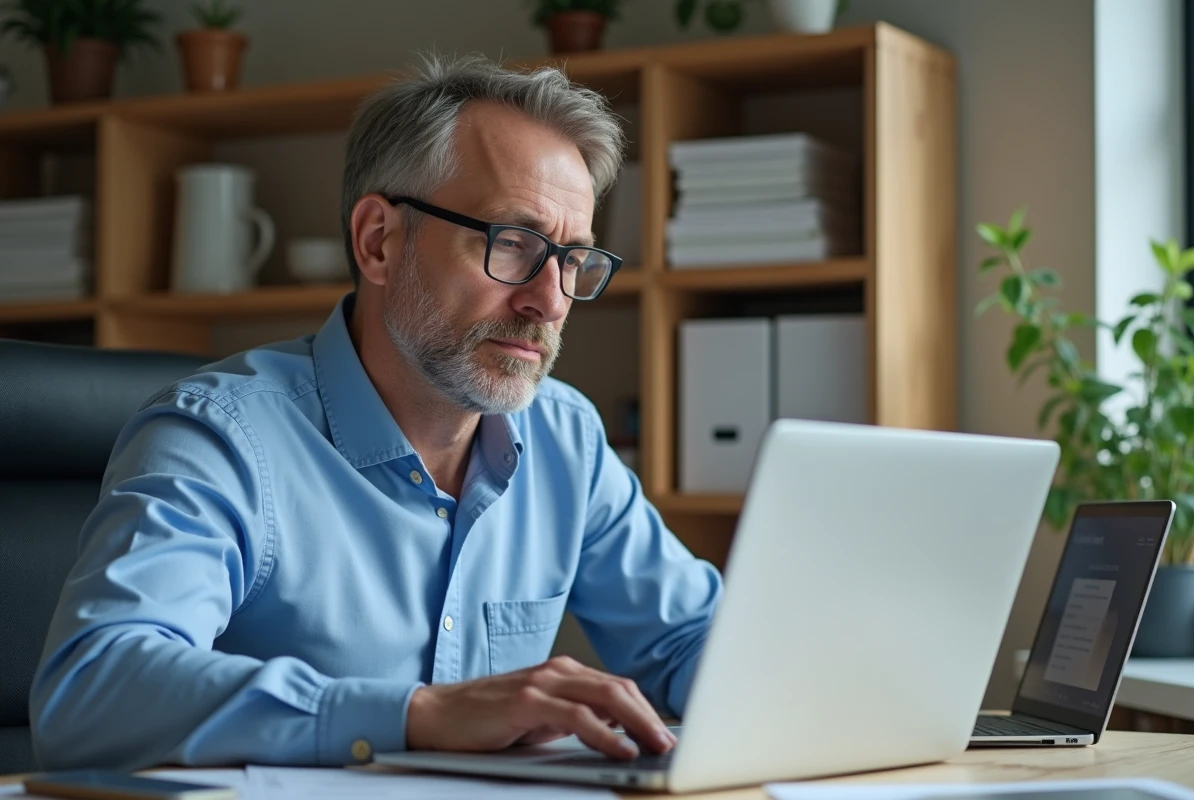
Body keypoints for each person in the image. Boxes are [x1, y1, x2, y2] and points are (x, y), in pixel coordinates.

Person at [29, 52, 722, 771]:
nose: (548, 301)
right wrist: (416, 715)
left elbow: (692, 641)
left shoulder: (564, 437)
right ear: (379, 241)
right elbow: (91, 688)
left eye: (571, 260)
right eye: (512, 244)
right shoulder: (222, 437)